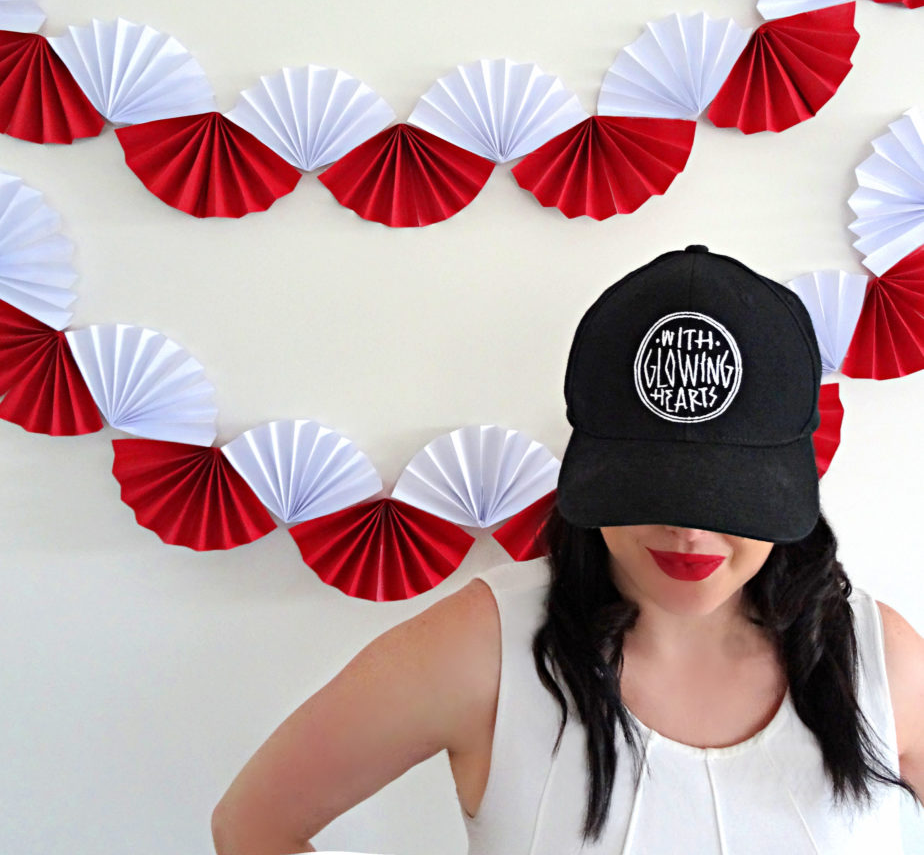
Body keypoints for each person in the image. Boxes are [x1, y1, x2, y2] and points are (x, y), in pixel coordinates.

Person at [211, 245, 924, 855]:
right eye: (654, 489)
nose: (688, 533)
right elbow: (253, 826)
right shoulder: (482, 648)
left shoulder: (880, 661)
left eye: (724, 498)